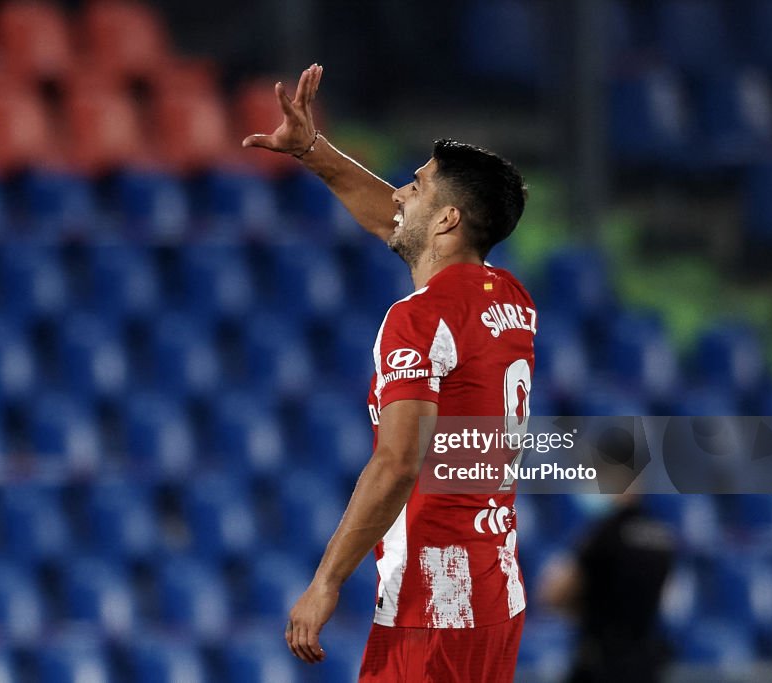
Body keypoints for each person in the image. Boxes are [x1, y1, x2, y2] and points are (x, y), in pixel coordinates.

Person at [244, 63, 535, 682]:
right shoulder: (509, 298)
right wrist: (314, 152)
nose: (399, 193)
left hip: (433, 604)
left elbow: (399, 463)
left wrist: (325, 584)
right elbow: (398, 226)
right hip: (493, 591)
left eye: (416, 185)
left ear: (449, 220)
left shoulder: (417, 319)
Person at [539, 493, 675, 683]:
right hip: (644, 662)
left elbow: (555, 594)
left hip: (602, 662)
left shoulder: (605, 531)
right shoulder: (664, 536)